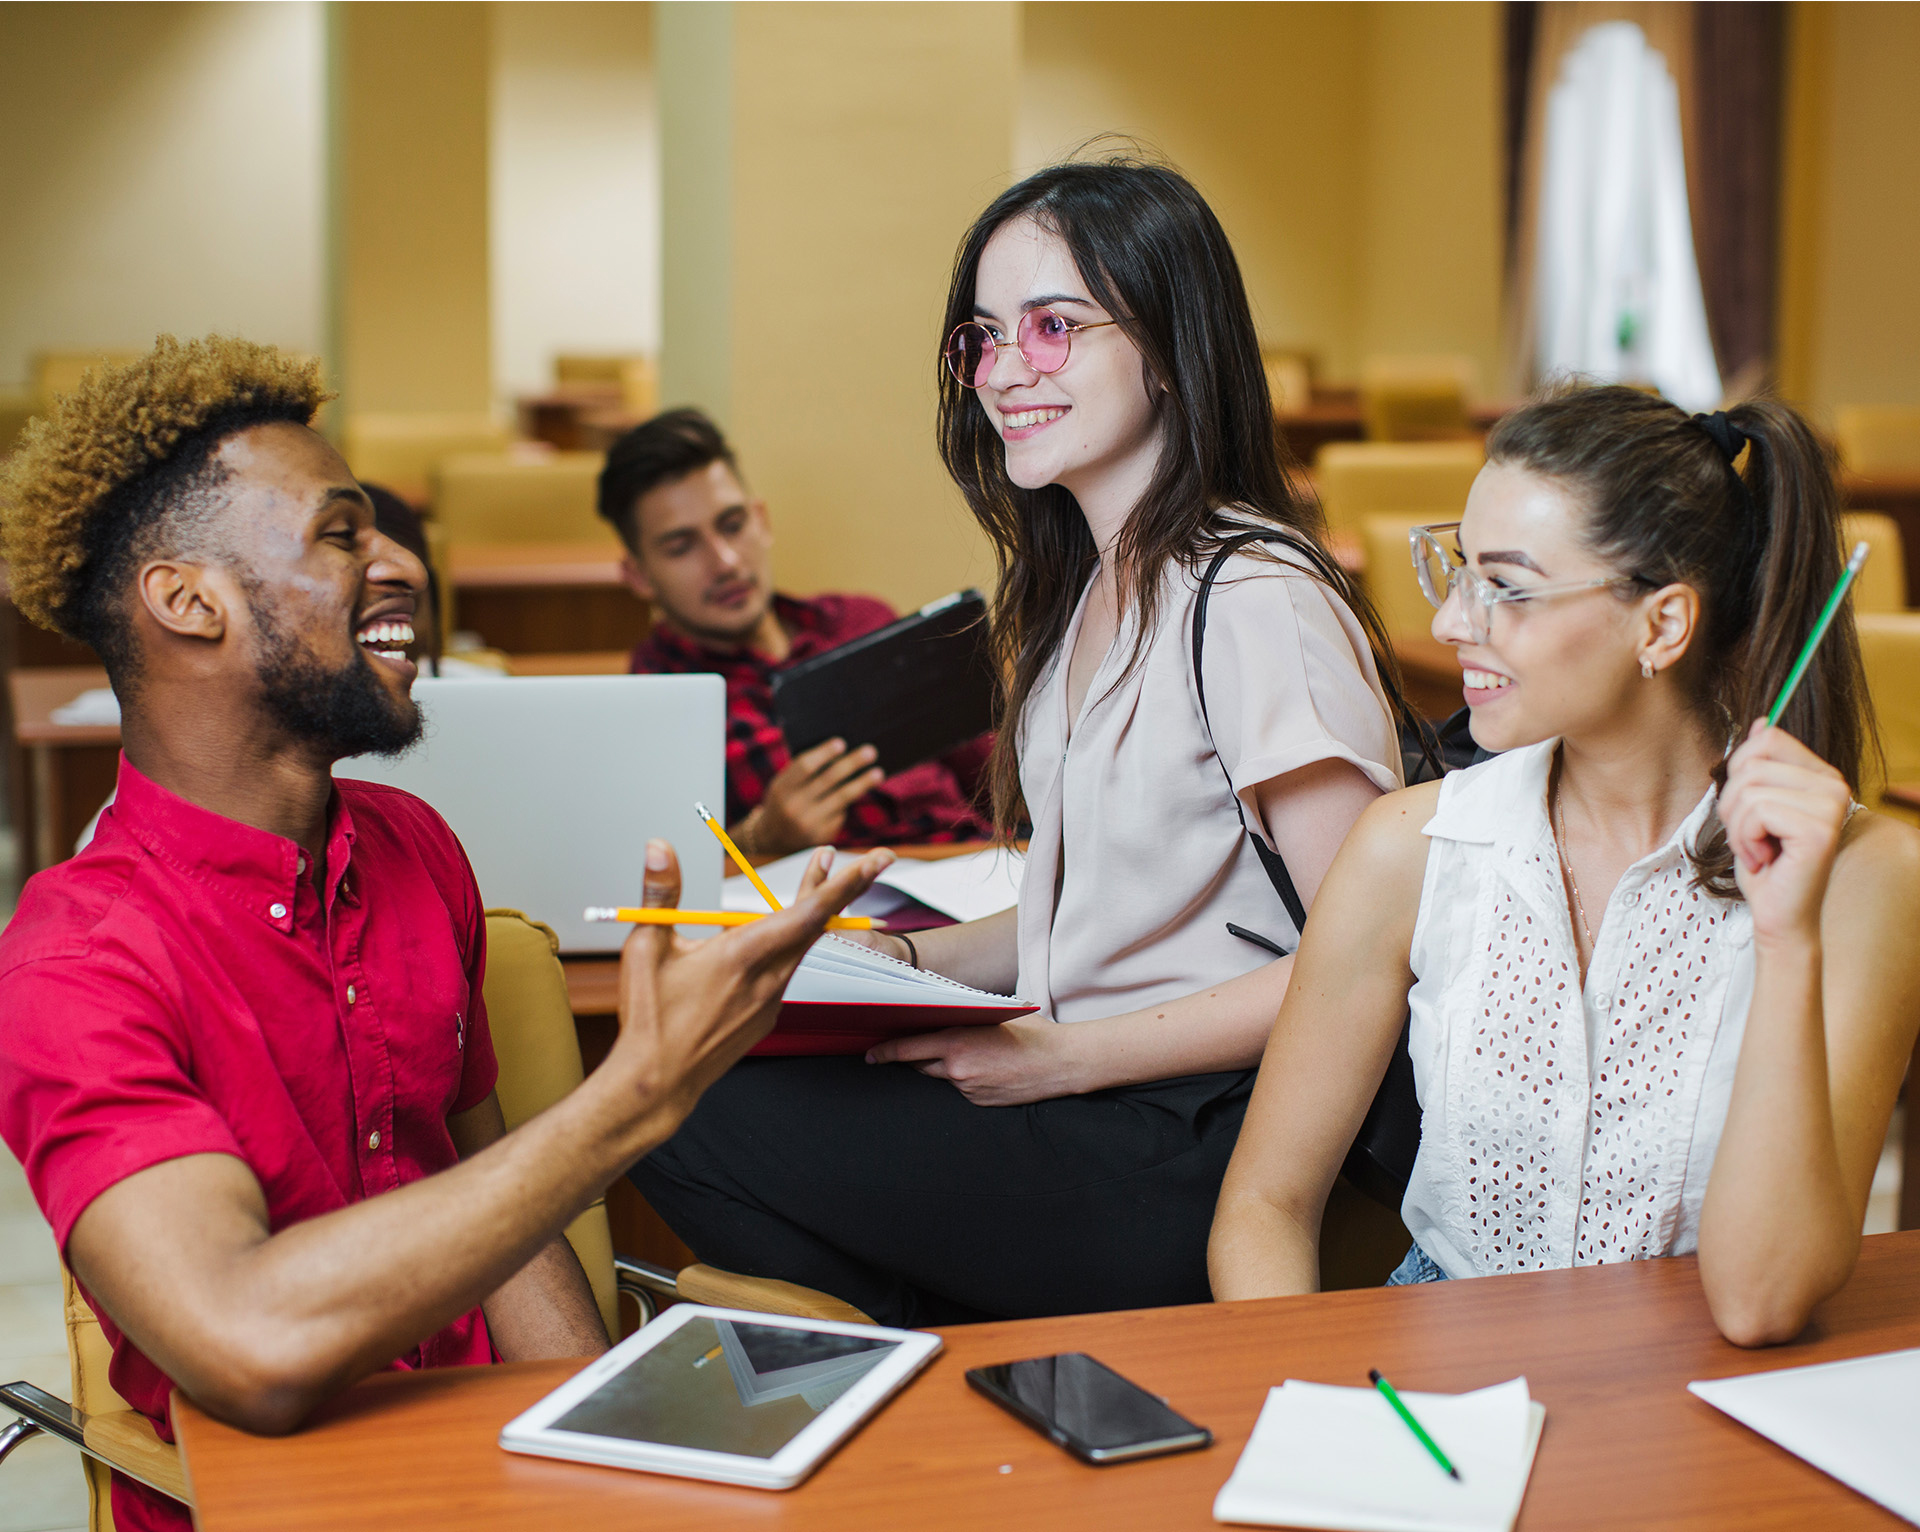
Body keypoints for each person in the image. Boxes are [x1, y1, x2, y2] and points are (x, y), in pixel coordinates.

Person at [0, 336, 889, 1531]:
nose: (401, 566)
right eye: (340, 533)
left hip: (500, 1469)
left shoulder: (413, 846)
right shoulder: (74, 958)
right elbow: (247, 1337)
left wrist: (603, 1466)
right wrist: (633, 1094)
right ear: (187, 598)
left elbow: (492, 1207)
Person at [630, 158, 1418, 1326]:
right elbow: (1096, 903)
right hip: (1098, 1093)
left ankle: (939, 1358)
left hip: (1205, 1126)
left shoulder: (1250, 594)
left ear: (1167, 343)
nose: (1005, 371)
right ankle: (963, 1357)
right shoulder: (1084, 590)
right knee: (693, 1058)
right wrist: (903, 966)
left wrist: (1068, 1056)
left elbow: (1370, 960)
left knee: (663, 1102)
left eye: (1053, 328)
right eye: (984, 337)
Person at [1208, 385, 1920, 1347]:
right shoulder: (1408, 848)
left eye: (1508, 587)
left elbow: (1761, 1302)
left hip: (1701, 1409)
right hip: (1444, 1389)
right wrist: (1314, 1410)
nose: (1457, 621)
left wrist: (1786, 935)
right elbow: (1263, 1205)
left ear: (1662, 625)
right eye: (1458, 569)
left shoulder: (1866, 879)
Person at [600, 408, 994, 859]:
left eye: (732, 525)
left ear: (761, 520)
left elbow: (998, 776)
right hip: (843, 907)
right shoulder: (652, 709)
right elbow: (657, 877)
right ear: (639, 576)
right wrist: (760, 840)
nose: (726, 561)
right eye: (681, 547)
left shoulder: (860, 621)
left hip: (982, 868)